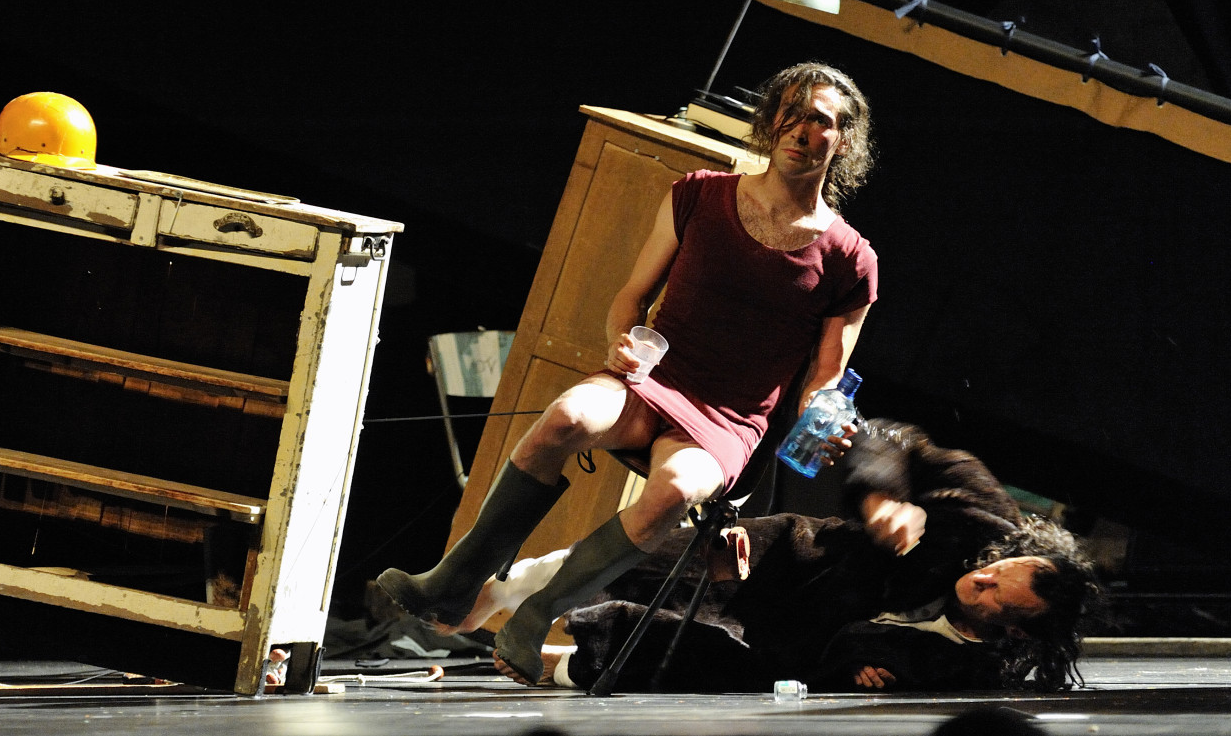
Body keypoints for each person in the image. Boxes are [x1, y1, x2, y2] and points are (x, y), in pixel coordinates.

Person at [377, 62, 881, 684]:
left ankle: (536, 615)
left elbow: (827, 375)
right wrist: (621, 341)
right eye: (793, 114)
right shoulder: (699, 194)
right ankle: (453, 581)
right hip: (655, 378)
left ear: (843, 140)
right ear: (772, 121)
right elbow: (632, 297)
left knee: (673, 491)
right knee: (565, 417)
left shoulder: (850, 256)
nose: (802, 130)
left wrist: (827, 415)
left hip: (730, 418)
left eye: (821, 121)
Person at [478, 419, 1101, 693]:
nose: (981, 580)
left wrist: (866, 674)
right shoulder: (983, 515)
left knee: (696, 662)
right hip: (790, 557)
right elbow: (891, 437)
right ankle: (493, 593)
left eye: (993, 597)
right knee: (648, 560)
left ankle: (564, 665)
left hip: (791, 643)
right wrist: (882, 496)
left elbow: (890, 667)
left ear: (1016, 630)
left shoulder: (974, 668)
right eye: (994, 571)